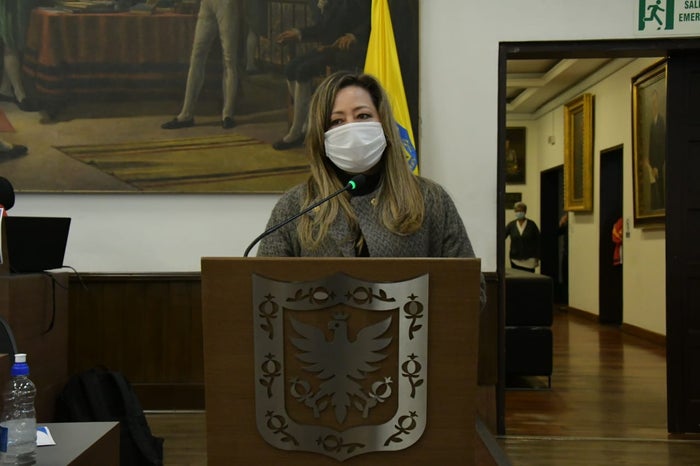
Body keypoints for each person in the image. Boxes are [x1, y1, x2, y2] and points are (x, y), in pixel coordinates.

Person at [257, 71, 486, 309]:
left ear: (383, 124)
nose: (352, 129)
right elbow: (264, 294)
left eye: (363, 116)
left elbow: (470, 292)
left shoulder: (431, 199)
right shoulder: (295, 206)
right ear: (321, 136)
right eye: (337, 121)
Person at [272, 0, 371, 150]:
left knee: (303, 71)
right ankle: (305, 124)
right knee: (291, 69)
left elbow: (371, 20)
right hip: (329, 48)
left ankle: (296, 131)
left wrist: (354, 36)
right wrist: (299, 33)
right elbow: (323, 28)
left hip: (350, 50)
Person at [161, 0, 242, 130]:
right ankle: (186, 114)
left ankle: (228, 115)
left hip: (226, 3)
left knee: (229, 59)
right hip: (206, 4)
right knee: (197, 56)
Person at [0, 0, 41, 111]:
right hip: (10, 7)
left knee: (17, 43)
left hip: (26, 5)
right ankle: (20, 94)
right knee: (11, 44)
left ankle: (5, 89)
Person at [505, 201, 540, 273]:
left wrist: (538, 256)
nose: (519, 212)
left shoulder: (532, 225)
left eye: (521, 210)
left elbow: (539, 241)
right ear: (515, 212)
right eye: (517, 211)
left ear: (525, 211)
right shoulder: (511, 225)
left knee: (529, 278)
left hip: (530, 259)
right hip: (515, 259)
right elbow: (502, 236)